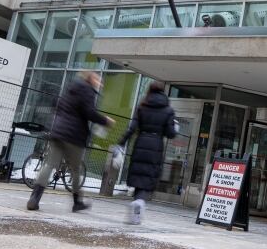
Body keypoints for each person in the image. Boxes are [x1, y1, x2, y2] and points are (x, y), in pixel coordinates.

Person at [27, 71, 114, 212]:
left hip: (58, 131)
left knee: (49, 164)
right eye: (99, 80)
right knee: (75, 170)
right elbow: (89, 112)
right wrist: (105, 120)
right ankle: (77, 202)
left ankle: (34, 198)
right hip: (74, 136)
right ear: (91, 79)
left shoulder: (70, 88)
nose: (100, 84)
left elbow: (58, 105)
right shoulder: (88, 91)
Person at [117, 81, 176, 225]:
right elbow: (170, 133)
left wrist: (121, 143)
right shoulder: (168, 110)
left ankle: (136, 209)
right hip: (156, 145)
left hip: (141, 141)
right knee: (148, 177)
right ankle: (139, 203)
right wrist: (175, 128)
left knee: (138, 176)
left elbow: (131, 128)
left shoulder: (142, 106)